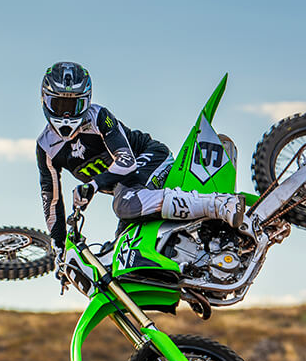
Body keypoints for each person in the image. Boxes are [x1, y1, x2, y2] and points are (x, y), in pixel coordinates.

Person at [36, 61, 246, 290]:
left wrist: (94, 186)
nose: (66, 114)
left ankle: (219, 204)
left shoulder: (98, 118)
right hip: (128, 187)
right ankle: (197, 277)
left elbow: (126, 162)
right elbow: (52, 200)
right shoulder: (46, 147)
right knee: (122, 259)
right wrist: (59, 249)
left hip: (151, 160)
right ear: (45, 101)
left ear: (86, 102)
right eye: (59, 104)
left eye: (74, 106)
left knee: (124, 204)